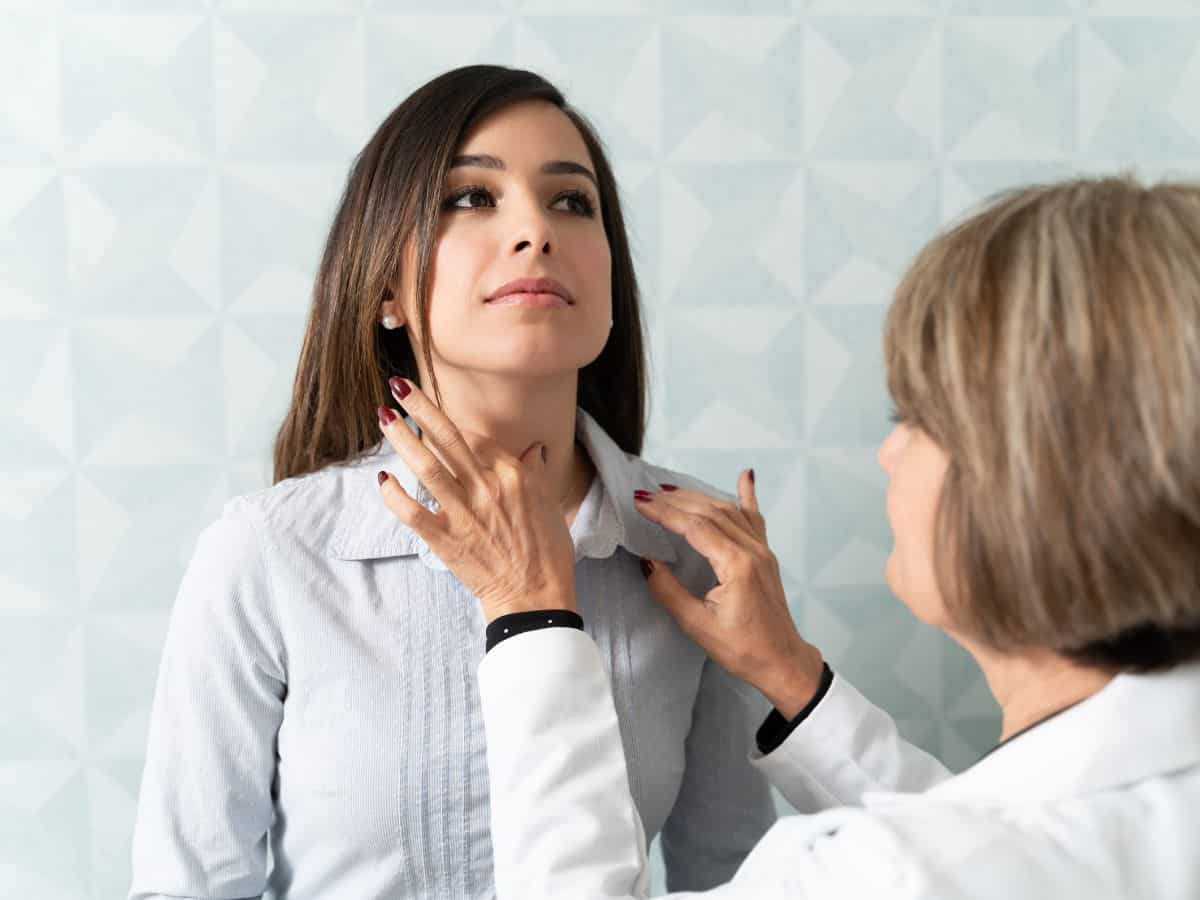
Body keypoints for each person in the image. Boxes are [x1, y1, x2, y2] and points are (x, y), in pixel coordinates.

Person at [373, 176, 1200, 898]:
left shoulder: (894, 873)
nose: (889, 450)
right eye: (472, 197)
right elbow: (1001, 841)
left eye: (916, 417)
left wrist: (530, 615)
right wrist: (789, 677)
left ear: (1041, 474)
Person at [128, 66, 776, 900]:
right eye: (470, 197)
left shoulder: (693, 553)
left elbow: (734, 876)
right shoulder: (269, 552)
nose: (535, 230)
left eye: (573, 202)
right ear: (386, 288)